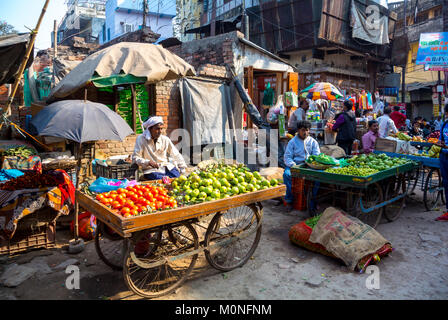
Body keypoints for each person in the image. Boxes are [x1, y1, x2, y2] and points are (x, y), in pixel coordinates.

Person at [132, 116, 187, 180]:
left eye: (161, 129)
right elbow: (135, 158)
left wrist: (182, 167)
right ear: (150, 129)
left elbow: (176, 154)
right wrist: (148, 162)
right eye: (157, 129)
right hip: (151, 170)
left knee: (177, 178)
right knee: (161, 180)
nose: (160, 131)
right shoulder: (141, 139)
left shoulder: (165, 139)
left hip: (166, 167)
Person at [283, 120, 320, 211]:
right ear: (298, 130)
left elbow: (317, 155)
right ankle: (289, 200)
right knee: (287, 175)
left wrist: (312, 162)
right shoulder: (292, 142)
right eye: (303, 130)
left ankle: (313, 200)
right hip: (295, 165)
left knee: (319, 177)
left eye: (307, 130)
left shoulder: (313, 142)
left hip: (309, 166)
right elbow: (287, 157)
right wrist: (293, 165)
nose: (305, 132)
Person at [436, 105, 448, 221]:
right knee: (446, 183)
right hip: (444, 156)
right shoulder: (444, 125)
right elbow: (440, 140)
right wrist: (439, 143)